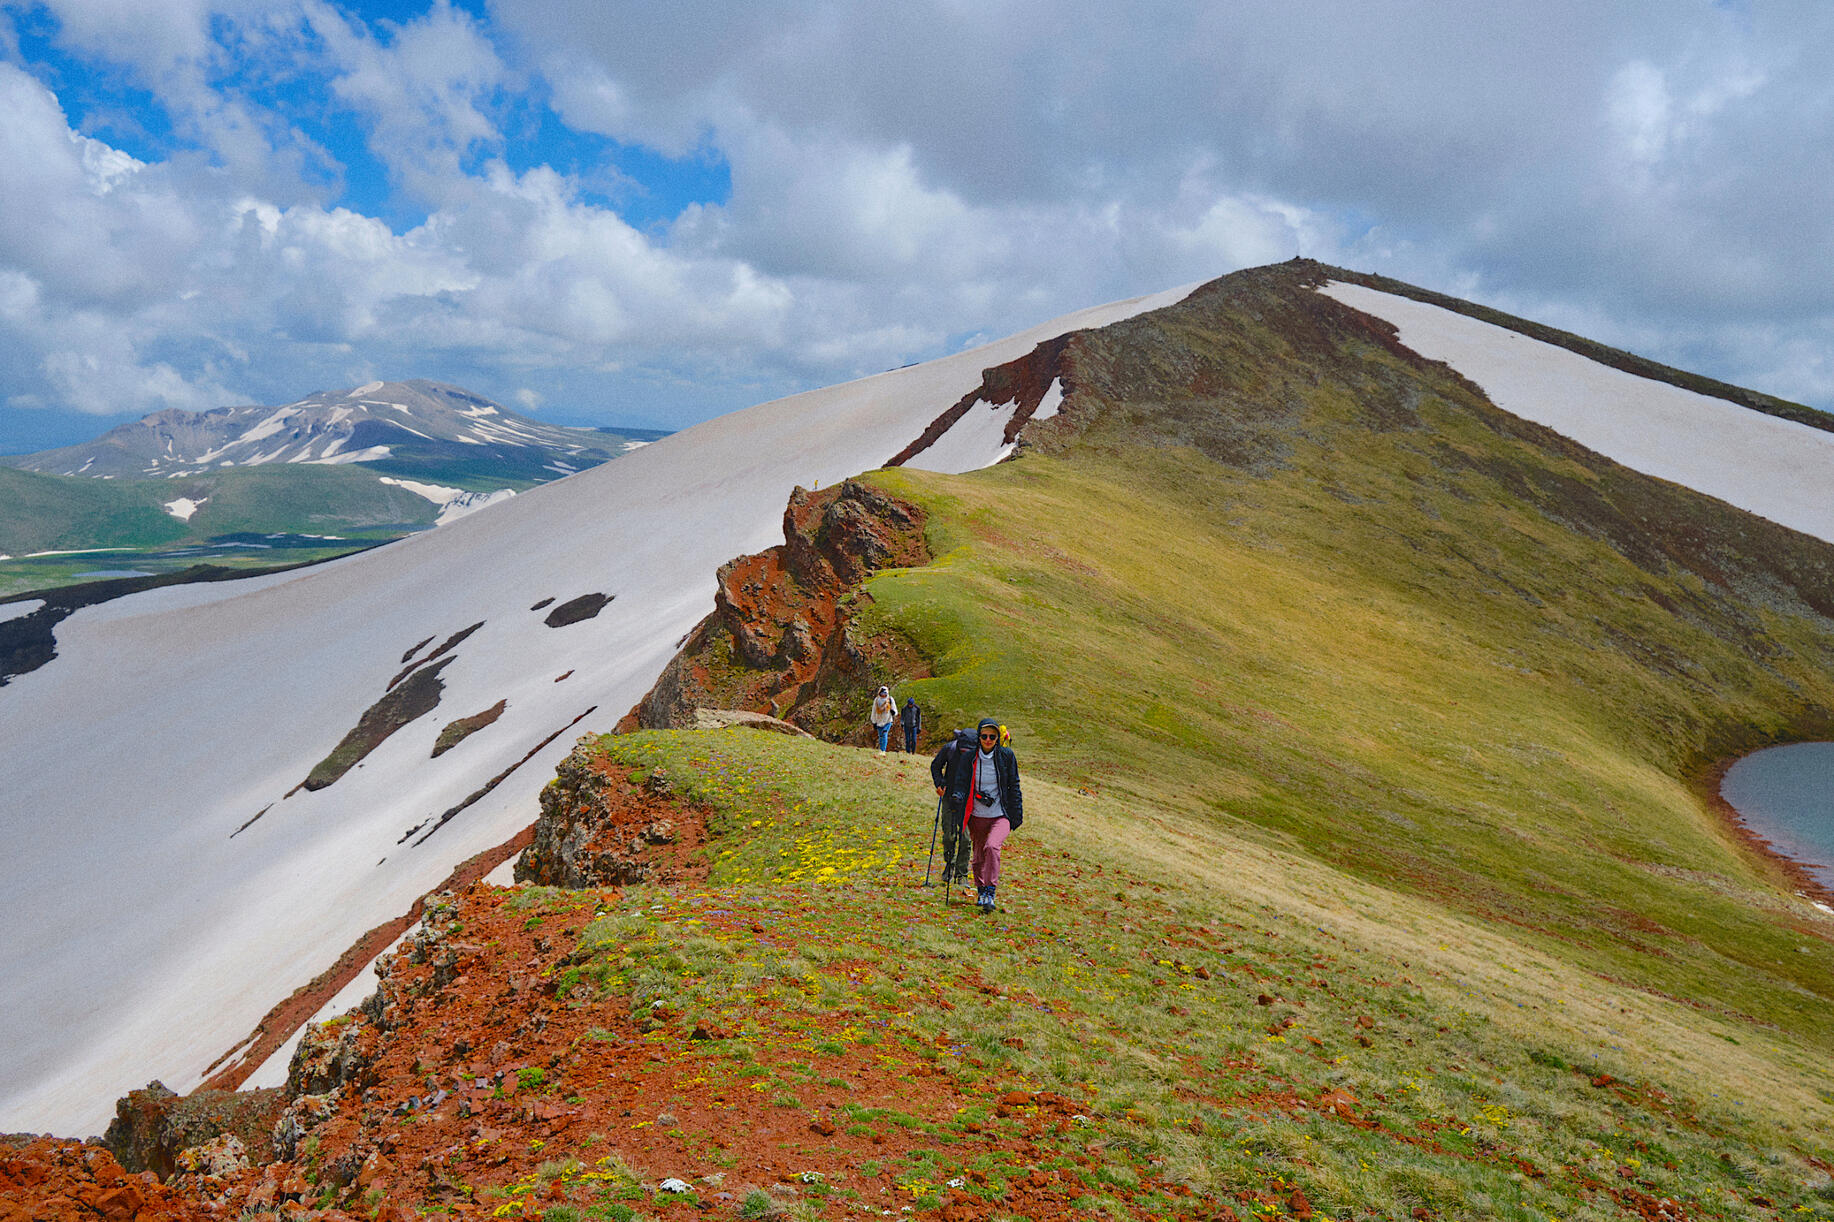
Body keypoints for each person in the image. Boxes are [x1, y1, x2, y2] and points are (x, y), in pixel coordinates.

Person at [932, 718, 1023, 912]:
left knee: (992, 847)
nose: (988, 739)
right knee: (978, 856)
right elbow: (961, 780)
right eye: (984, 736)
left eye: (992, 736)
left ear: (998, 737)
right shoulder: (969, 757)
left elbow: (1014, 785)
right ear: (979, 737)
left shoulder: (1006, 756)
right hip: (977, 815)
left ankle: (990, 890)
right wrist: (957, 795)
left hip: (1000, 814)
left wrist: (1016, 814)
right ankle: (981, 890)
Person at [870, 685, 895, 753]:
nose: (883, 695)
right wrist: (874, 721)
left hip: (888, 720)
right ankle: (881, 749)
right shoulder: (876, 700)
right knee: (880, 735)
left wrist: (893, 712)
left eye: (884, 693)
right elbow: (874, 711)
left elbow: (894, 708)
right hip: (879, 720)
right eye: (882, 693)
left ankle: (883, 750)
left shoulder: (890, 699)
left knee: (884, 733)